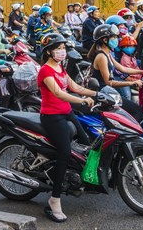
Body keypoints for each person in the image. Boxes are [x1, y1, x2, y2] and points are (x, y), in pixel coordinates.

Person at [37, 33, 95, 223]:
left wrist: (98, 94)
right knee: (65, 152)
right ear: (48, 51)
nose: (62, 51)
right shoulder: (45, 70)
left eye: (63, 48)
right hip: (52, 117)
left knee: (88, 142)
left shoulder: (60, 67)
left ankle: (81, 179)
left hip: (67, 112)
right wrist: (82, 101)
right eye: (58, 48)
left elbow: (75, 87)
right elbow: (58, 93)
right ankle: (54, 199)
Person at [88, 24, 143, 107]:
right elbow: (109, 82)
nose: (117, 39)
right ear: (105, 40)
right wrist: (131, 83)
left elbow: (122, 68)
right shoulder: (101, 57)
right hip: (103, 93)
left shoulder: (108, 54)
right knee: (135, 109)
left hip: (107, 90)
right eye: (114, 37)